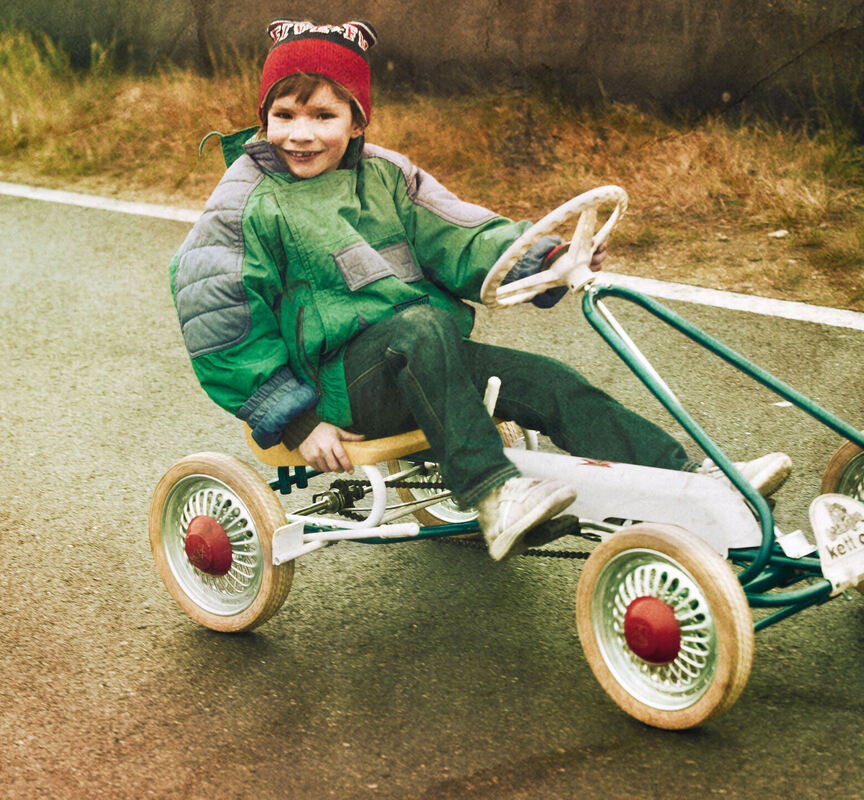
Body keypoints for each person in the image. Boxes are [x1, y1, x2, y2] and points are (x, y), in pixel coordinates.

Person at [169, 19, 790, 561]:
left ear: (357, 122)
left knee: (549, 381)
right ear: (265, 118)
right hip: (338, 389)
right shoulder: (246, 201)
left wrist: (541, 256)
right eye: (284, 115)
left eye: (323, 116)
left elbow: (463, 234)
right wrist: (299, 421)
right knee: (418, 325)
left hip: (421, 358)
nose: (300, 134)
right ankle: (492, 493)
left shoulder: (387, 175)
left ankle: (696, 478)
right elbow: (218, 320)